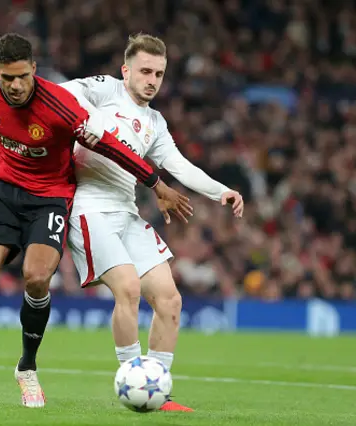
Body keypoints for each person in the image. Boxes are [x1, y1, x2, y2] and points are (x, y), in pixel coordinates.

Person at [0, 33, 191, 408]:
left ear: (34, 69)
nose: (14, 86)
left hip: (50, 197)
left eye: (21, 77)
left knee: (36, 277)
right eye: (6, 78)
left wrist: (155, 183)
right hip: (3, 189)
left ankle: (26, 367)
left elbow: (109, 145)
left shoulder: (61, 106)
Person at [61, 33, 244, 412]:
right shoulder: (104, 89)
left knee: (170, 300)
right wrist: (91, 121)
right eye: (145, 71)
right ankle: (133, 377)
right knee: (127, 289)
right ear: (125, 70)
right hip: (89, 209)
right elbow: (59, 92)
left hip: (126, 213)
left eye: (159, 74)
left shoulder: (155, 122)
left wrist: (220, 190)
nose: (152, 80)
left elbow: (177, 166)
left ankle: (157, 392)